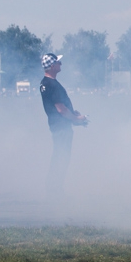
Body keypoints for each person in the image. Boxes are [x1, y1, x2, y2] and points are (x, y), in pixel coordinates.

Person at [39, 53, 87, 194]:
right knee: (61, 158)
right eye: (58, 62)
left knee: (59, 156)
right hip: (61, 127)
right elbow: (61, 109)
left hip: (56, 126)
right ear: (52, 66)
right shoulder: (53, 84)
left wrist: (73, 113)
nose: (61, 64)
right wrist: (76, 119)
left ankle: (53, 189)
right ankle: (55, 191)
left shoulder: (44, 83)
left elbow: (60, 108)